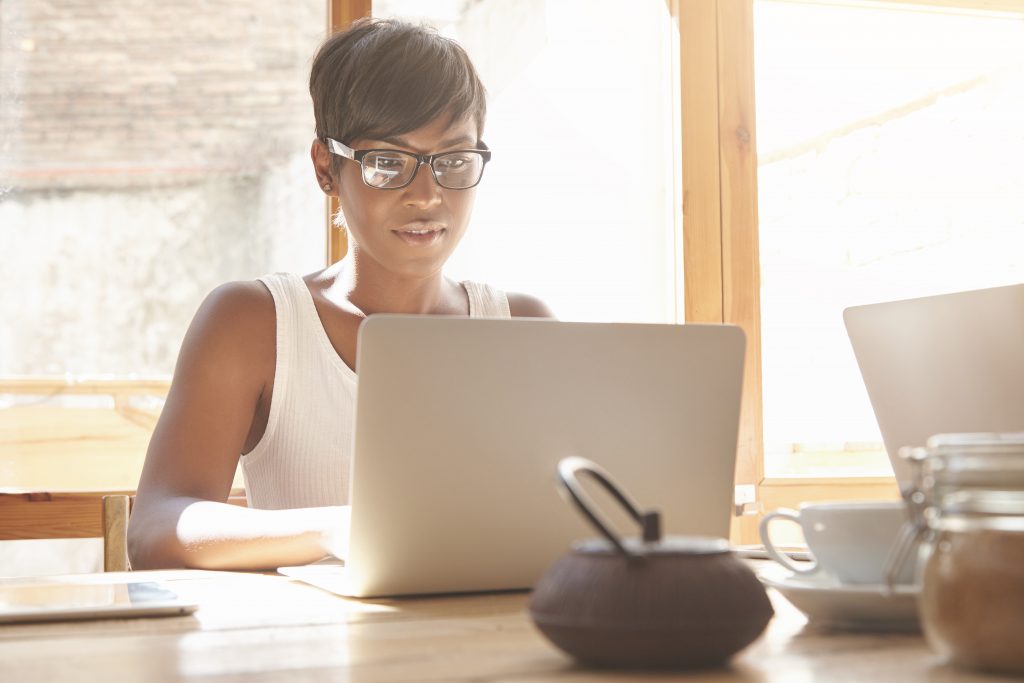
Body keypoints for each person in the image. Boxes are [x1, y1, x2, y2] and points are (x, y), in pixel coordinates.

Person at [127, 18, 553, 570]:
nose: (426, 195)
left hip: (489, 639)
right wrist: (342, 528)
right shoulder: (254, 323)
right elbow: (157, 527)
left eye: (451, 161)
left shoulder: (523, 327)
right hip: (314, 647)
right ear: (326, 168)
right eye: (388, 163)